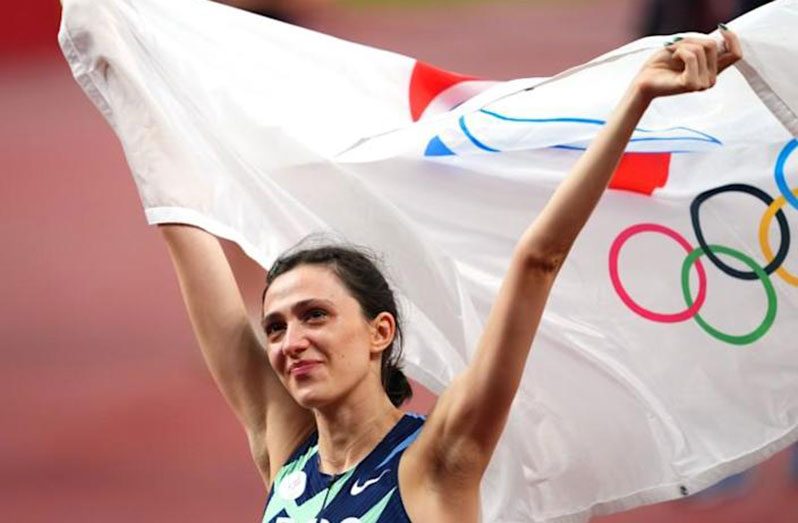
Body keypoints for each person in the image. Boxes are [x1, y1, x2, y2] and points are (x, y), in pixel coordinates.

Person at [159, 28, 742, 522]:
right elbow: (182, 224)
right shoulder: (286, 456)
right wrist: (129, 67)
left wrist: (636, 99)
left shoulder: (437, 460)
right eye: (277, 327)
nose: (290, 342)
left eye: (315, 315)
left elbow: (537, 262)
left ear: (379, 332)